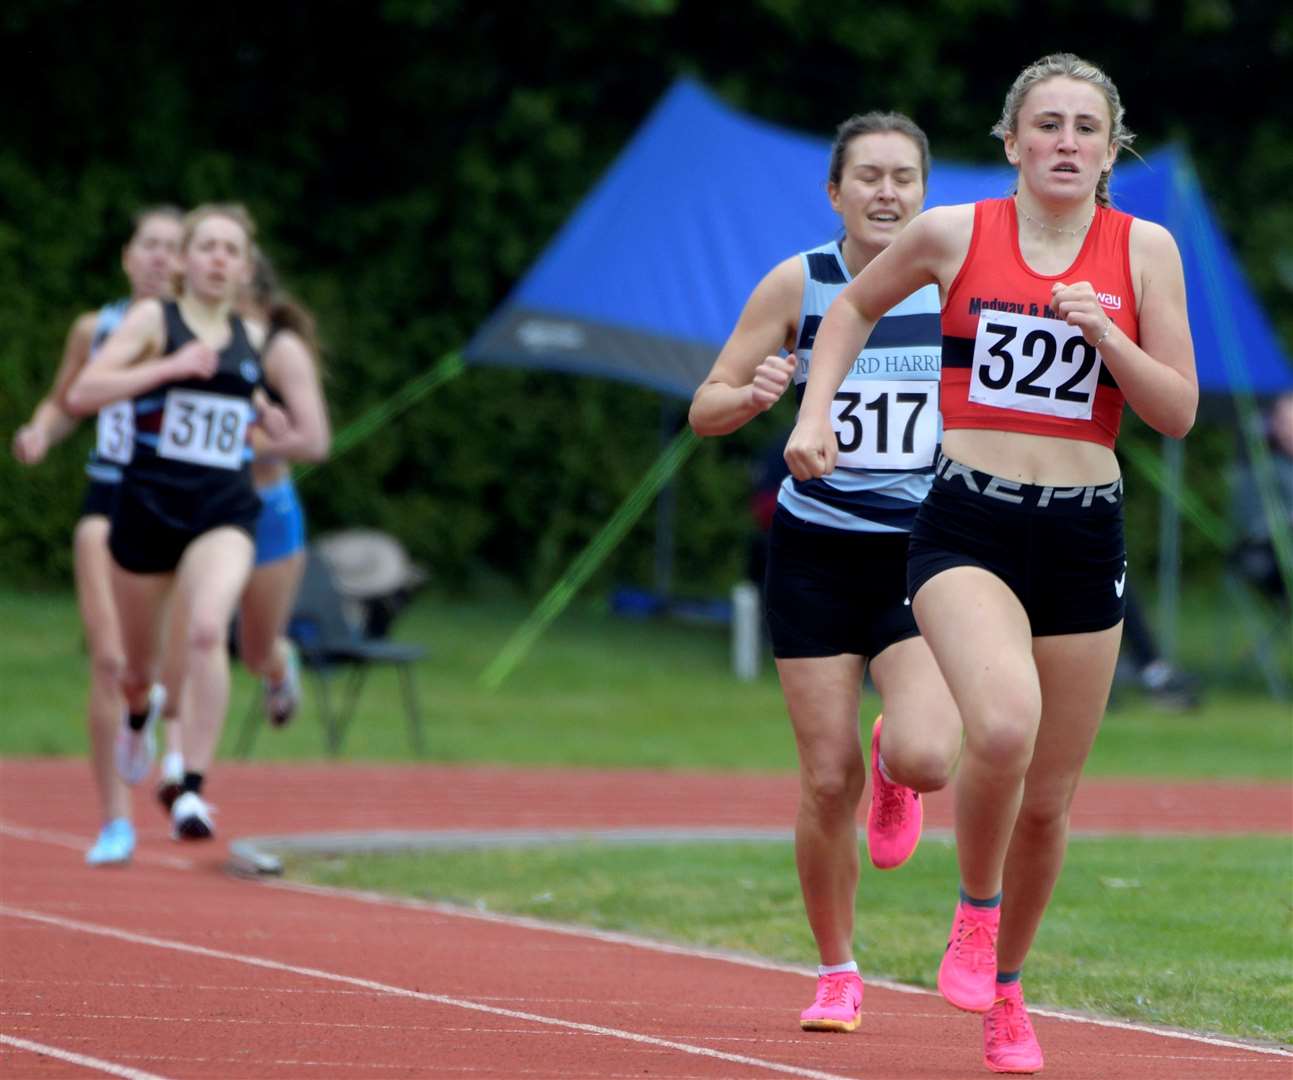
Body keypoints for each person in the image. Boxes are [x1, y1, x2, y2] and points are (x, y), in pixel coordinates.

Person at [786, 54, 1197, 1073]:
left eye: (1086, 128)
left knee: (1050, 801)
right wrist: (814, 410)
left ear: (1111, 150)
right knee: (1002, 727)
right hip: (966, 524)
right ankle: (974, 913)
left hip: (1081, 534)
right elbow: (848, 309)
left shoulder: (1144, 252)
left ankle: (1009, 991)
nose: (1066, 142)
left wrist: (1109, 335)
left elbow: (1177, 411)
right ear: (1011, 140)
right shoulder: (954, 233)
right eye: (1047, 124)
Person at [689, 112, 962, 1034]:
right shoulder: (799, 281)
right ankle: (836, 970)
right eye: (869, 177)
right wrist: (753, 395)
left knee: (926, 755)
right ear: (835, 192)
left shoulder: (956, 282)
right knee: (821, 779)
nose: (887, 193)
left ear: (925, 191)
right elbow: (706, 406)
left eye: (903, 178)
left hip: (920, 554)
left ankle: (895, 763)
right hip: (813, 553)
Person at [65, 202, 289, 842]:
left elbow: (232, 391)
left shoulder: (249, 334)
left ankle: (190, 785)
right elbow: (84, 393)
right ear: (186, 261)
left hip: (222, 508)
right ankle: (139, 716)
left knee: (207, 629)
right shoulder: (151, 320)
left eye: (232, 251)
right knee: (137, 673)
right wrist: (166, 367)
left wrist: (264, 411)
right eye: (209, 247)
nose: (219, 259)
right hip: (147, 509)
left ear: (245, 269)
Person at [11, 205, 184, 865]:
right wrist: (40, 430)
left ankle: (184, 777)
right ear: (127, 256)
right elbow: (65, 399)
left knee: (171, 660)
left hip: (181, 502)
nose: (160, 258)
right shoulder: (96, 327)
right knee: (112, 663)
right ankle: (115, 820)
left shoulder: (206, 336)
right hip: (110, 492)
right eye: (149, 245)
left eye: (173, 247)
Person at [154, 248, 331, 806]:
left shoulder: (280, 350)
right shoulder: (193, 338)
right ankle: (176, 763)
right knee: (191, 632)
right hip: (202, 506)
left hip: (267, 512)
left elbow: (315, 441)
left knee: (253, 651)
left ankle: (280, 669)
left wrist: (246, 439)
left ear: (255, 292)